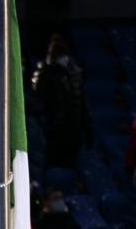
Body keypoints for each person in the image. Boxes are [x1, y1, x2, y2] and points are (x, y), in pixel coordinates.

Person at [31, 36, 92, 167]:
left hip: (74, 129)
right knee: (54, 162)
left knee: (71, 163)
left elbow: (82, 103)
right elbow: (38, 100)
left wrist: (87, 129)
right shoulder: (45, 74)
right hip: (53, 130)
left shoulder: (74, 73)